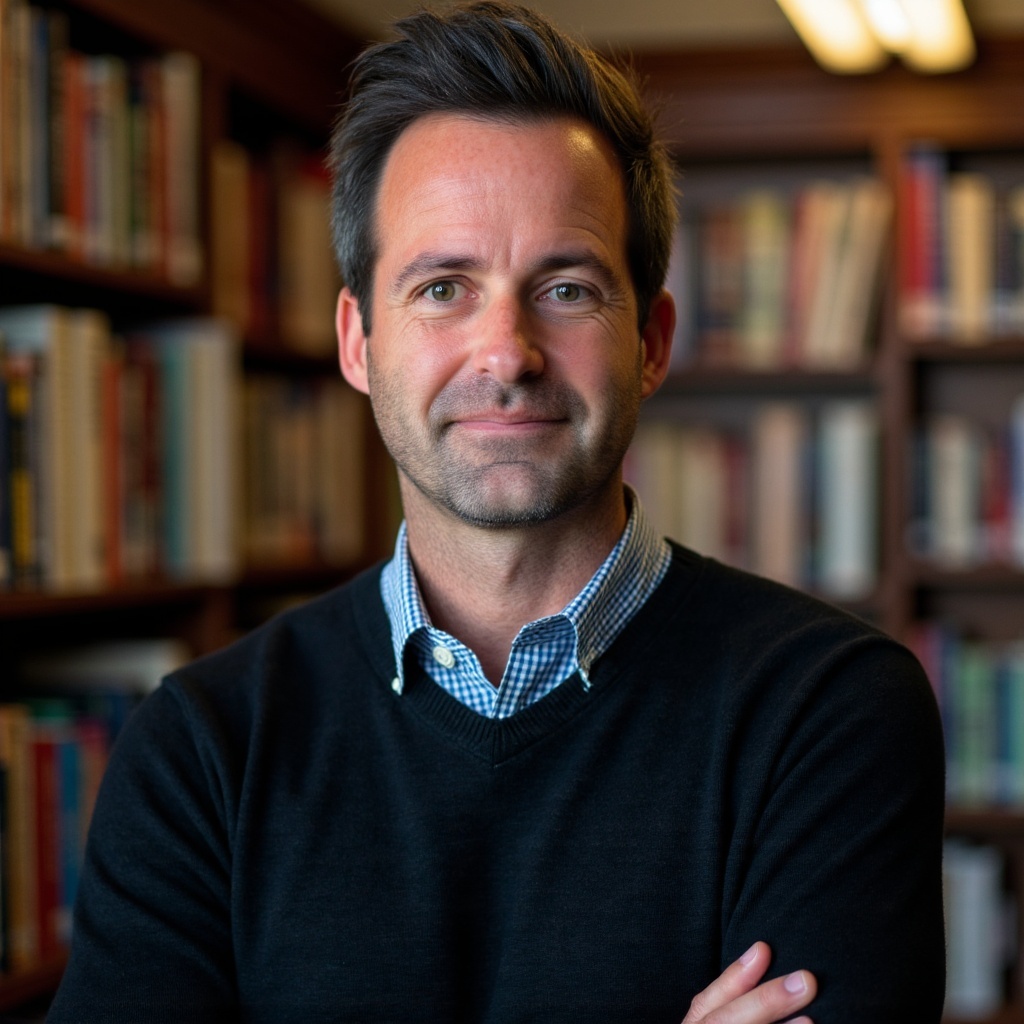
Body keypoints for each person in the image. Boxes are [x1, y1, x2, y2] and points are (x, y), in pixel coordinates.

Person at [47, 3, 946, 1022]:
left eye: (566, 289)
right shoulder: (204, 749)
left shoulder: (827, 712)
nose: (506, 352)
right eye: (442, 288)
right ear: (358, 341)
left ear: (651, 343)